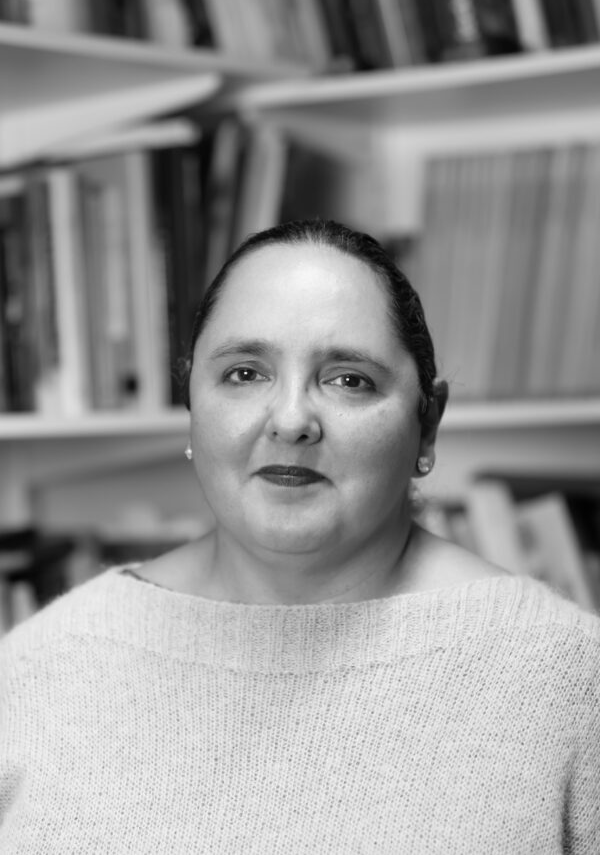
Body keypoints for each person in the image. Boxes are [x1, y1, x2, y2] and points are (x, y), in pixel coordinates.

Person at [0, 218, 599, 853]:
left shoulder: (568, 680)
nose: (290, 420)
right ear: (192, 403)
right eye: (244, 373)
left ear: (428, 425)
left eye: (348, 379)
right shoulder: (39, 667)